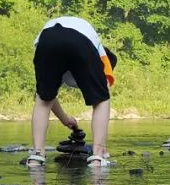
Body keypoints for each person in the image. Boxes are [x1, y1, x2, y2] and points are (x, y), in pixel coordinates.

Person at [28, 16, 117, 168]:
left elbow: (48, 96)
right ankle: (98, 155)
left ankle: (37, 155)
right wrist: (103, 145)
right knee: (102, 99)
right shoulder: (103, 56)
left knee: (42, 100)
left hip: (47, 40)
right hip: (79, 40)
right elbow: (103, 94)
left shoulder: (66, 56)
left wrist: (65, 119)